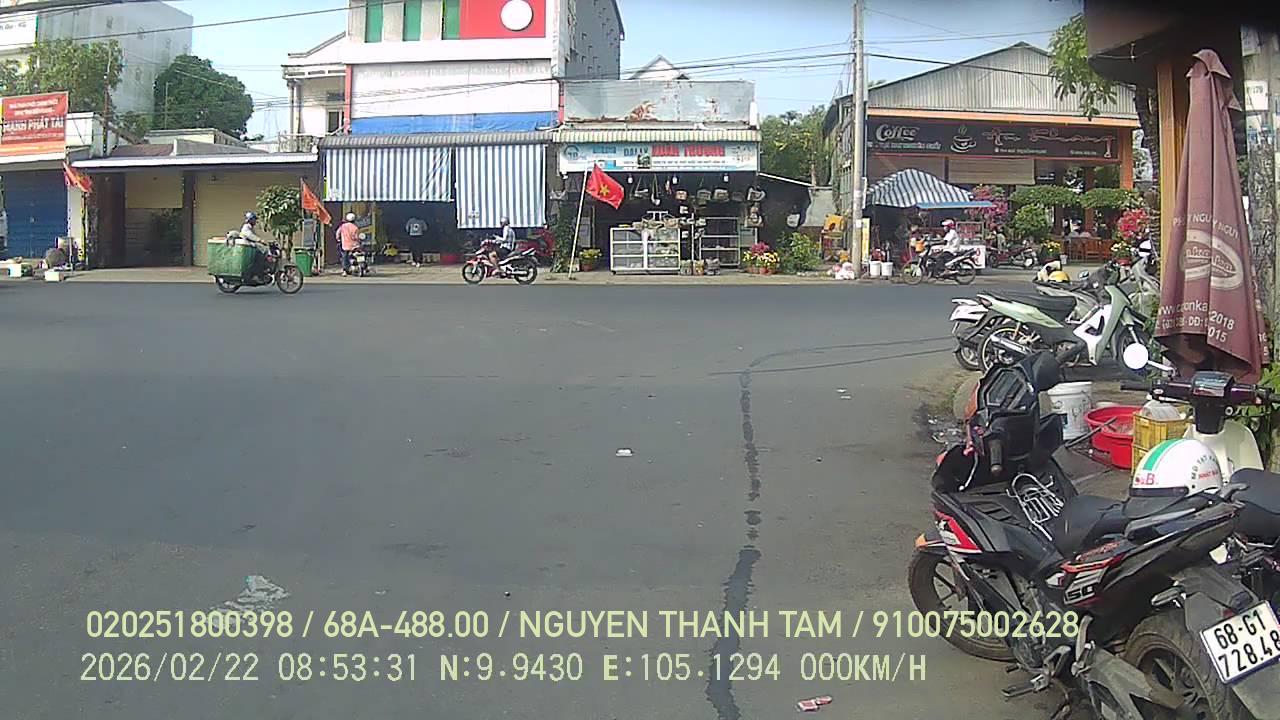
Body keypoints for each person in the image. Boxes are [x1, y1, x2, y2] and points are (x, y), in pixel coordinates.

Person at [240, 212, 270, 280]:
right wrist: (260, 240)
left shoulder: (250, 228)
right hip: (248, 247)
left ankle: (262, 272)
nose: (255, 221)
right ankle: (257, 274)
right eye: (254, 219)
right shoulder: (246, 227)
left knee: (263, 252)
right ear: (250, 220)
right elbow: (250, 236)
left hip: (250, 246)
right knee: (260, 256)